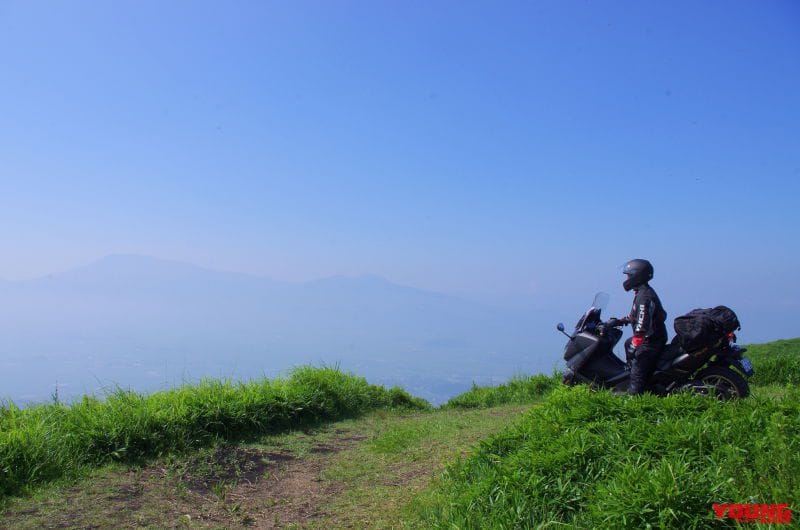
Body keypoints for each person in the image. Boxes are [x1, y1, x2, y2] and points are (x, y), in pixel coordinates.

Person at [606, 259, 668, 395]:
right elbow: (635, 316)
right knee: (628, 344)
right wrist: (619, 322)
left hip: (651, 341)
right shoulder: (643, 292)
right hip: (654, 337)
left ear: (637, 276)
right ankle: (646, 380)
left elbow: (642, 325)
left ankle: (635, 396)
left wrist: (636, 345)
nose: (627, 279)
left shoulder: (644, 297)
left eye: (629, 275)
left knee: (637, 369)